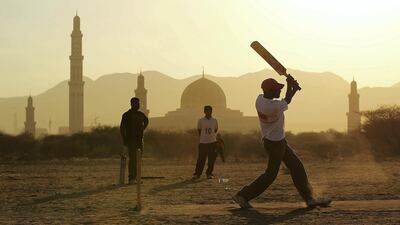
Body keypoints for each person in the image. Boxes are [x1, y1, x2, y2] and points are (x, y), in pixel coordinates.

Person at [232, 76, 331, 208]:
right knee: (271, 175)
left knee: (297, 168)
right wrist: (292, 87)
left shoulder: (259, 100)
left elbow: (286, 99)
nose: (279, 91)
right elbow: (287, 100)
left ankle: (309, 199)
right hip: (275, 143)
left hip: (276, 141)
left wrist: (291, 87)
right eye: (277, 89)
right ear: (270, 91)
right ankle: (243, 196)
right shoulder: (273, 107)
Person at [120, 97, 149, 184]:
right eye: (137, 103)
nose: (138, 105)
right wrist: (125, 140)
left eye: (139, 103)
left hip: (139, 140)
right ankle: (131, 178)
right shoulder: (127, 115)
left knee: (138, 159)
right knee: (133, 159)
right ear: (132, 104)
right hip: (131, 140)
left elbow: (146, 121)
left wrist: (142, 129)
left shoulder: (140, 115)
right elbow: (122, 129)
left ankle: (136, 177)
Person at [192, 105, 219, 179]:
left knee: (211, 160)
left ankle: (209, 173)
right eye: (206, 111)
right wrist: (204, 137)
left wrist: (210, 137)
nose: (208, 112)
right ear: (204, 111)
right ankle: (197, 173)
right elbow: (199, 131)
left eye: (209, 110)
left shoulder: (214, 120)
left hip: (212, 142)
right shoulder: (201, 121)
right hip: (203, 143)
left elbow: (215, 130)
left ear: (211, 111)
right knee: (201, 159)